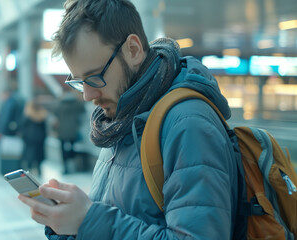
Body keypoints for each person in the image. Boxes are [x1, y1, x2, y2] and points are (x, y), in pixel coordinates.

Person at [18, 0, 244, 239]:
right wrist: (70, 225)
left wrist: (89, 219)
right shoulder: (121, 122)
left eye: (94, 77)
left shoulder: (188, 125)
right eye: (79, 81)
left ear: (133, 50)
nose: (87, 95)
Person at [53, 89, 85, 174]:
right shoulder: (77, 104)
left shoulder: (60, 105)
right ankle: (73, 166)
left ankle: (65, 168)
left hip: (62, 132)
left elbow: (55, 117)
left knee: (63, 150)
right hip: (73, 131)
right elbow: (83, 110)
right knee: (73, 148)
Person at [20, 98, 48, 176]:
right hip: (40, 138)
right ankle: (39, 170)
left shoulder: (27, 114)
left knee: (29, 155)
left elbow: (22, 126)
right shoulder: (42, 115)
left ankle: (30, 170)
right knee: (39, 155)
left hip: (29, 138)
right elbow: (44, 128)